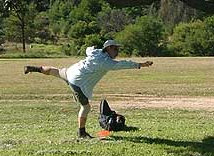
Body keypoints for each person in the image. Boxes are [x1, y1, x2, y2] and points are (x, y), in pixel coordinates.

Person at [24, 40, 153, 138]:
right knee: (86, 107)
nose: (117, 51)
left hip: (71, 72)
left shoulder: (95, 52)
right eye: (115, 48)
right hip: (78, 83)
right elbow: (123, 64)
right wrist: (140, 65)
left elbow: (88, 49)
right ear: (108, 48)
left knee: (56, 71)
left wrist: (94, 47)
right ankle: (82, 133)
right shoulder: (106, 62)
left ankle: (33, 68)